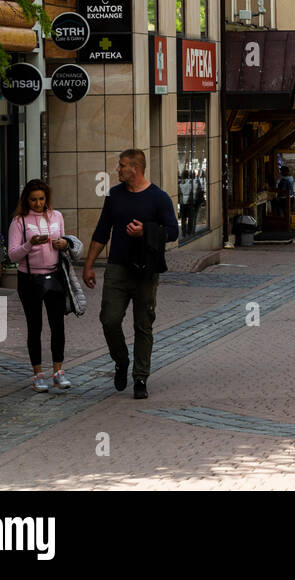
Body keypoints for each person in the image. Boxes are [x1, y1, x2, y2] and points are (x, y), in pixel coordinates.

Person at [82, 148, 178, 400]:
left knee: (143, 325)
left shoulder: (159, 198)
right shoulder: (114, 195)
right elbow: (102, 231)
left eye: (122, 165)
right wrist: (89, 264)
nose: (118, 169)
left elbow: (173, 232)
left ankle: (140, 377)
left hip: (147, 271)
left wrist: (145, 231)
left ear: (135, 168)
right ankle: (121, 360)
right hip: (117, 268)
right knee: (109, 320)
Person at [7, 179, 73, 393]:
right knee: (35, 327)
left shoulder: (57, 216)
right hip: (29, 279)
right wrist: (30, 244)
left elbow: (64, 244)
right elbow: (12, 255)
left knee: (58, 325)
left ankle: (58, 372)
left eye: (41, 199)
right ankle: (38, 374)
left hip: (54, 276)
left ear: (47, 199)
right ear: (27, 199)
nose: (38, 203)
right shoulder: (19, 222)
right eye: (34, 199)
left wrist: (64, 243)